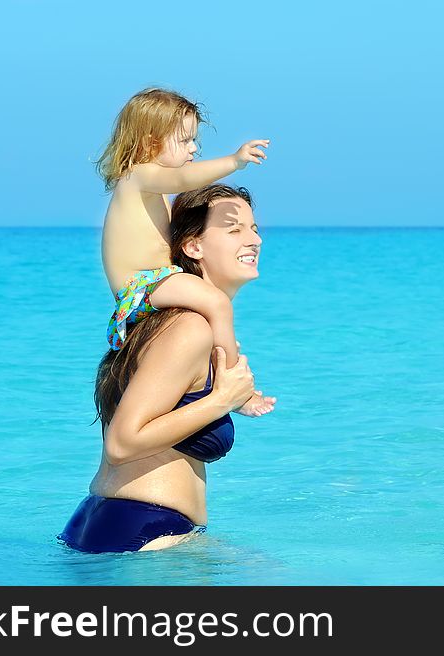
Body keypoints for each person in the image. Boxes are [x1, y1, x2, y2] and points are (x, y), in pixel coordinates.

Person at [59, 185, 274, 553]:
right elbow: (122, 443)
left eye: (255, 228)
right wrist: (222, 399)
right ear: (193, 246)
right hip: (144, 534)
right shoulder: (189, 328)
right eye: (234, 229)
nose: (253, 239)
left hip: (119, 526)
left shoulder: (174, 323)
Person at [97, 87, 272, 416]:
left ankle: (217, 358)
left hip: (155, 281)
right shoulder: (139, 176)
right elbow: (185, 178)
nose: (194, 149)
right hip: (140, 284)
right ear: (151, 142)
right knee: (216, 302)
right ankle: (233, 385)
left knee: (211, 314)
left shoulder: (152, 187)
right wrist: (234, 161)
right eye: (186, 140)